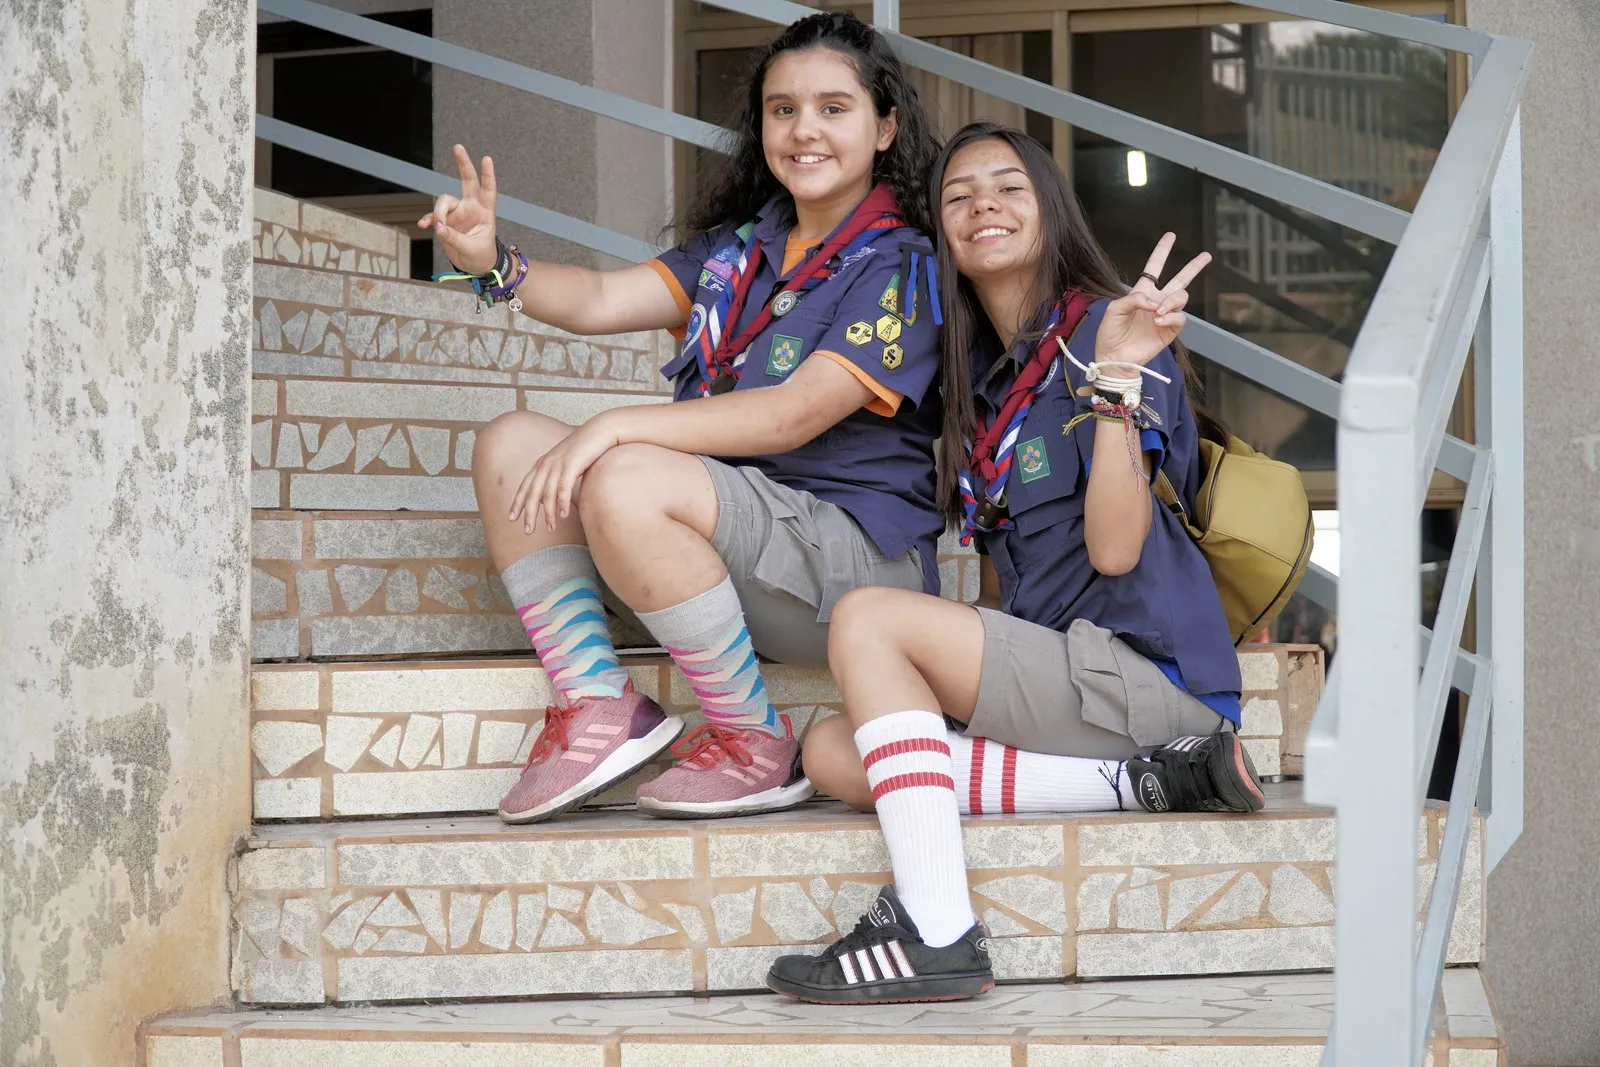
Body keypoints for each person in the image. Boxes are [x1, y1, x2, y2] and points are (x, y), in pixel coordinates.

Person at [767, 123, 1265, 1005]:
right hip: (1071, 683)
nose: (982, 207)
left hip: (1148, 678)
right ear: (942, 233)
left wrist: (1115, 381)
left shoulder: (1110, 333)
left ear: (1051, 209)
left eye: (1008, 188)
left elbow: (1114, 548)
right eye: (958, 196)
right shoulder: (984, 381)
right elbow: (1005, 587)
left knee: (868, 618)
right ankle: (1137, 783)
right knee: (837, 752)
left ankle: (937, 928)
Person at [418, 12, 944, 824]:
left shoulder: (902, 265)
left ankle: (751, 739)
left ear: (886, 127)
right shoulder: (741, 249)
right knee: (511, 443)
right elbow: (598, 298)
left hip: (851, 568)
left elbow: (790, 416)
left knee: (627, 472)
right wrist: (495, 263)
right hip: (726, 543)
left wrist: (614, 426)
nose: (803, 129)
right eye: (782, 109)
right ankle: (598, 703)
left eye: (833, 108)